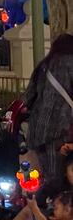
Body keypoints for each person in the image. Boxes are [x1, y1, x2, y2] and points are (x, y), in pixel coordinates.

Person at [25, 33, 73, 183]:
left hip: (37, 132)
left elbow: (28, 97)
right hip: (61, 131)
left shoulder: (44, 65)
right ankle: (57, 203)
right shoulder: (71, 63)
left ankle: (40, 202)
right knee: (58, 176)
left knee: (41, 175)